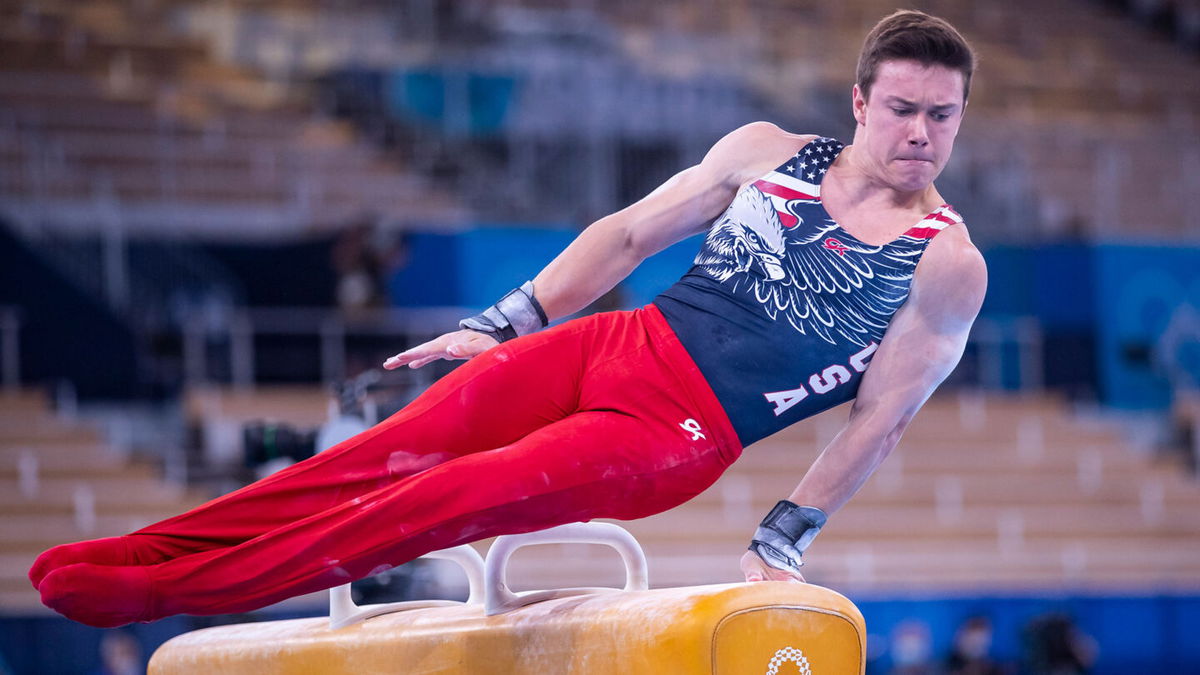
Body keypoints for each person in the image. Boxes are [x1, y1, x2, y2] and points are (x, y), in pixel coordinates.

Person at [30, 9, 986, 628]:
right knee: (379, 454)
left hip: (675, 431)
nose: (919, 134)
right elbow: (622, 238)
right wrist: (502, 321)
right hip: (617, 342)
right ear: (860, 101)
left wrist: (783, 537)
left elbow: (882, 417)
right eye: (902, 108)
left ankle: (162, 593)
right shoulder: (763, 150)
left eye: (942, 117)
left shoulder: (946, 259)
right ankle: (152, 547)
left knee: (439, 500)